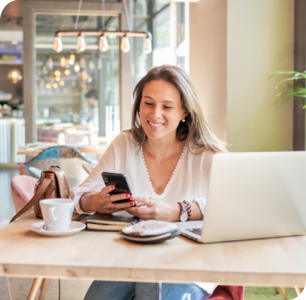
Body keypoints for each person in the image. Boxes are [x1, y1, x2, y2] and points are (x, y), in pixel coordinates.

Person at [71, 65, 227, 300]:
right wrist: (94, 202)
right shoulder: (125, 143)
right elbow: (79, 194)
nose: (155, 114)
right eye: (149, 103)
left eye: (167, 106)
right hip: (129, 260)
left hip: (189, 266)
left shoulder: (206, 154)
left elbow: (234, 207)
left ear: (184, 111)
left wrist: (178, 210)